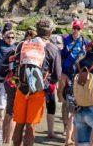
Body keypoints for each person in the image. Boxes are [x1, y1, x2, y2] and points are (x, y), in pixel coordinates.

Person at [11, 18, 62, 146]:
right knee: (30, 127)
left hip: (21, 88)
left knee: (19, 124)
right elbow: (57, 75)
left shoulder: (23, 44)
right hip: (38, 91)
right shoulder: (52, 48)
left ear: (37, 30)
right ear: (50, 33)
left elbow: (14, 64)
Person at [61, 19, 89, 146]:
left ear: (81, 30)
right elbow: (59, 57)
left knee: (75, 107)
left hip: (79, 78)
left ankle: (71, 136)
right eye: (74, 28)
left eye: (78, 28)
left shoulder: (85, 42)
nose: (76, 31)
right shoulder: (65, 40)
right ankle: (67, 132)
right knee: (66, 103)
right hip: (67, 75)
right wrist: (62, 74)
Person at [0, 28, 18, 144]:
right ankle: (8, 140)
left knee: (9, 111)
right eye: (8, 37)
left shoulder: (13, 48)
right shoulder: (6, 49)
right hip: (10, 82)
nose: (11, 39)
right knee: (12, 113)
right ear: (4, 38)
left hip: (7, 81)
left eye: (13, 38)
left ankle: (5, 138)